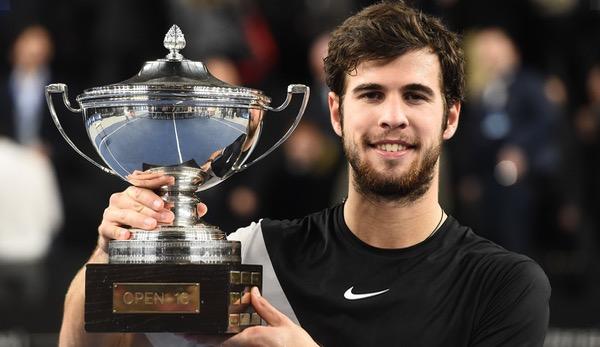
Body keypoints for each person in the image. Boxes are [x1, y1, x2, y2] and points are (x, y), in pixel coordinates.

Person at [59, 2, 550, 346]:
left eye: (416, 95)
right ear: (335, 113)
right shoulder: (257, 256)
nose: (393, 117)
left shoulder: (503, 285)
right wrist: (110, 255)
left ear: (451, 117)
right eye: (372, 94)